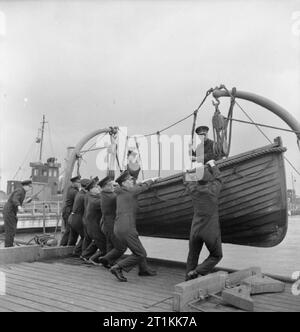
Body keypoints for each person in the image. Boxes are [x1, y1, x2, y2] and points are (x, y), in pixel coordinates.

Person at [109, 171, 158, 282]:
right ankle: (117, 267)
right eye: (130, 180)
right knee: (141, 253)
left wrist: (140, 182)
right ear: (124, 183)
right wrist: (153, 180)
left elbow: (136, 187)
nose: (132, 181)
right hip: (127, 228)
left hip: (119, 228)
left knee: (137, 248)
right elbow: (141, 188)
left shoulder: (121, 192)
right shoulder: (129, 192)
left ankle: (143, 269)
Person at [184, 159, 223, 281]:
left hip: (195, 230)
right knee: (217, 255)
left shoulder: (193, 189)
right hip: (209, 231)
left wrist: (189, 172)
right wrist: (212, 165)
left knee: (192, 256)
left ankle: (187, 281)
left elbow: (185, 180)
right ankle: (197, 271)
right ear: (208, 179)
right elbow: (219, 178)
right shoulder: (213, 190)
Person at [97, 176, 126, 268]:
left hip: (106, 225)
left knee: (110, 244)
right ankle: (105, 259)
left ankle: (109, 263)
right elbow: (121, 197)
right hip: (110, 225)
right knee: (121, 247)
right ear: (103, 187)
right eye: (109, 185)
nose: (112, 187)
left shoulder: (104, 194)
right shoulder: (110, 197)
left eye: (112, 185)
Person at [81, 181, 107, 264]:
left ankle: (85, 255)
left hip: (91, 225)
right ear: (91, 190)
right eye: (96, 187)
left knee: (96, 242)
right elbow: (106, 202)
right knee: (104, 247)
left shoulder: (91, 197)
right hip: (94, 227)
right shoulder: (94, 201)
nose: (98, 188)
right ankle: (93, 259)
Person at [2, 180, 32, 247]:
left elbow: (16, 200)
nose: (30, 188)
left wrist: (25, 202)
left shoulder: (23, 192)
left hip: (11, 212)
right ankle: (8, 246)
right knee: (11, 229)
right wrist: (19, 206)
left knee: (9, 226)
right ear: (25, 186)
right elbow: (15, 199)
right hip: (9, 211)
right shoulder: (20, 191)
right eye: (30, 186)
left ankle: (9, 244)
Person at [68, 178, 92, 256]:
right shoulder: (84, 196)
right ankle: (78, 252)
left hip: (72, 217)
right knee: (86, 236)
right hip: (78, 219)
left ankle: (70, 250)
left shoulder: (79, 193)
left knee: (73, 236)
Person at [60, 175, 81, 246]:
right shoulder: (74, 192)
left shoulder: (71, 188)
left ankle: (68, 245)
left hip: (67, 211)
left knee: (70, 230)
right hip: (68, 212)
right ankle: (62, 245)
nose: (79, 184)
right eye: (78, 182)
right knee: (68, 231)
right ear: (74, 183)